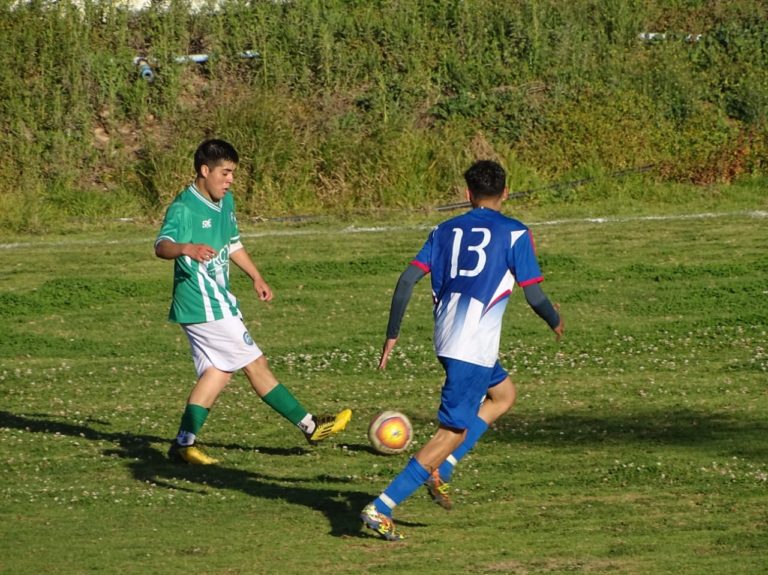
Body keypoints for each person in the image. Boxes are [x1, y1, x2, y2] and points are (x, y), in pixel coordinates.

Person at [360, 160, 564, 540]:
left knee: (503, 395)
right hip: (472, 347)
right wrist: (555, 320)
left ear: (467, 194)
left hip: (448, 339)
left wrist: (392, 334)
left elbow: (406, 281)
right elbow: (534, 294)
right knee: (451, 431)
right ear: (506, 192)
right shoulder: (516, 233)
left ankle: (444, 467)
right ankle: (382, 506)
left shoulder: (442, 230)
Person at [155, 138, 351, 465]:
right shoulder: (184, 208)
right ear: (205, 170)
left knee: (217, 372)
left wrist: (256, 277)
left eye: (233, 173)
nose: (230, 180)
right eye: (225, 173)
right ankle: (311, 426)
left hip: (211, 301)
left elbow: (232, 243)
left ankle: (183, 444)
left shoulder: (225, 203)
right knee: (255, 363)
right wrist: (186, 248)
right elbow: (161, 246)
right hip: (204, 303)